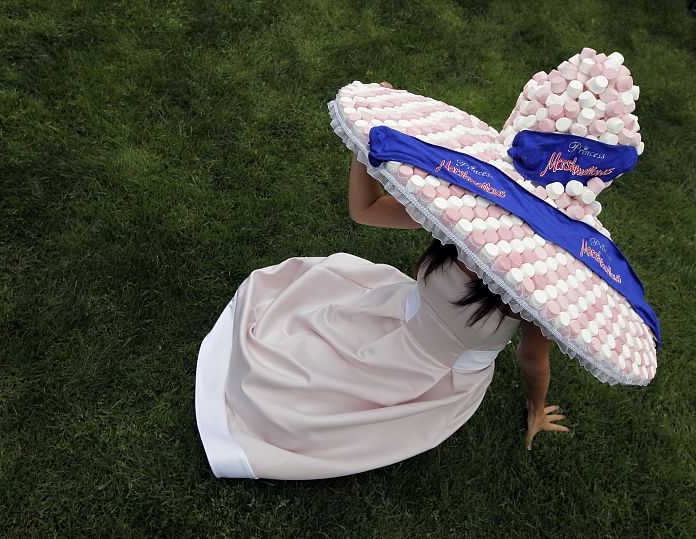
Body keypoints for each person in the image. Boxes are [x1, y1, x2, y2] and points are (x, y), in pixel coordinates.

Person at [195, 87, 570, 479]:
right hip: (389, 316)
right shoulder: (466, 218)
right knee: (289, 378)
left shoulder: (536, 289)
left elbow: (533, 358)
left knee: (308, 414)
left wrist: (537, 407)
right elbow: (366, 210)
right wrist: (368, 136)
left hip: (436, 380)